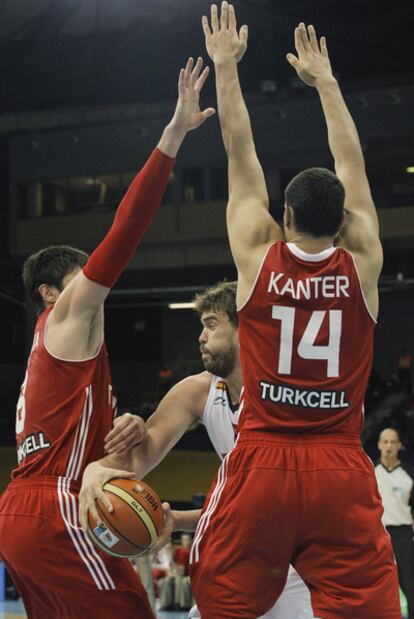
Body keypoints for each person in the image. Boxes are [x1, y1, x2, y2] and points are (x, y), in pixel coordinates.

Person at [187, 4, 401, 619]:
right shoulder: (362, 262)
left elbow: (240, 150)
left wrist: (227, 65)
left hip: (264, 461)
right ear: (344, 222)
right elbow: (352, 164)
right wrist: (328, 84)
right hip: (338, 461)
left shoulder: (258, 256)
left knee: (223, 602)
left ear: (283, 216)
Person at [0, 56, 215, 619]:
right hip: (57, 505)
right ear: (51, 292)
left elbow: (77, 436)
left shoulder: (59, 353)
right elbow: (126, 229)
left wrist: (124, 424)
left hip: (23, 509)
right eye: (82, 275)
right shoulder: (70, 312)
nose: (96, 282)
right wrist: (172, 135)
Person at [80, 280, 314, 619]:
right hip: (253, 550)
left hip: (301, 556)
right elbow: (138, 458)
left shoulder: (287, 392)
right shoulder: (197, 391)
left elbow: (268, 511)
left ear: (244, 328)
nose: (200, 337)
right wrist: (100, 467)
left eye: (211, 325)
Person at [376, 428, 414, 619]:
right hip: (375, 536)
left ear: (400, 445)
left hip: (404, 536)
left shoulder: (409, 474)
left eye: (393, 442)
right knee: (374, 585)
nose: (389, 446)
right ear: (379, 444)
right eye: (385, 442)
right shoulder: (369, 473)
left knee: (409, 585)